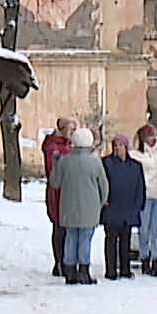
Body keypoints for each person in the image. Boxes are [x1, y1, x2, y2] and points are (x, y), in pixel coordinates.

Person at [50, 127, 110, 284]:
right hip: (90, 208)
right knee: (85, 238)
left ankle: (69, 271)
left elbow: (55, 183)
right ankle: (83, 271)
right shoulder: (95, 162)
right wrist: (101, 202)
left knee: (70, 237)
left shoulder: (64, 161)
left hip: (68, 207)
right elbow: (103, 186)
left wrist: (56, 164)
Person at [101, 133, 146, 280]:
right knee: (111, 239)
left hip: (128, 207)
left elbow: (141, 186)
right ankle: (111, 270)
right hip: (112, 206)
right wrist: (103, 200)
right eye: (115, 145)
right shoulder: (106, 163)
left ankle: (125, 269)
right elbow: (102, 183)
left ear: (126, 147)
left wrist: (139, 204)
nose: (118, 148)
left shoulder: (135, 165)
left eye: (121, 145)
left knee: (125, 240)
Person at [130, 124, 157, 277]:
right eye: (149, 135)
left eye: (154, 134)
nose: (153, 138)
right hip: (145, 196)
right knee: (144, 229)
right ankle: (144, 257)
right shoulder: (137, 155)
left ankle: (156, 259)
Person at [40, 118, 77, 275]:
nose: (73, 134)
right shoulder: (54, 147)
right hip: (57, 191)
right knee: (59, 226)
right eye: (71, 130)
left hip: (68, 191)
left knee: (67, 227)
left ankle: (66, 260)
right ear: (62, 129)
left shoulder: (67, 145)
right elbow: (55, 170)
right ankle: (60, 262)